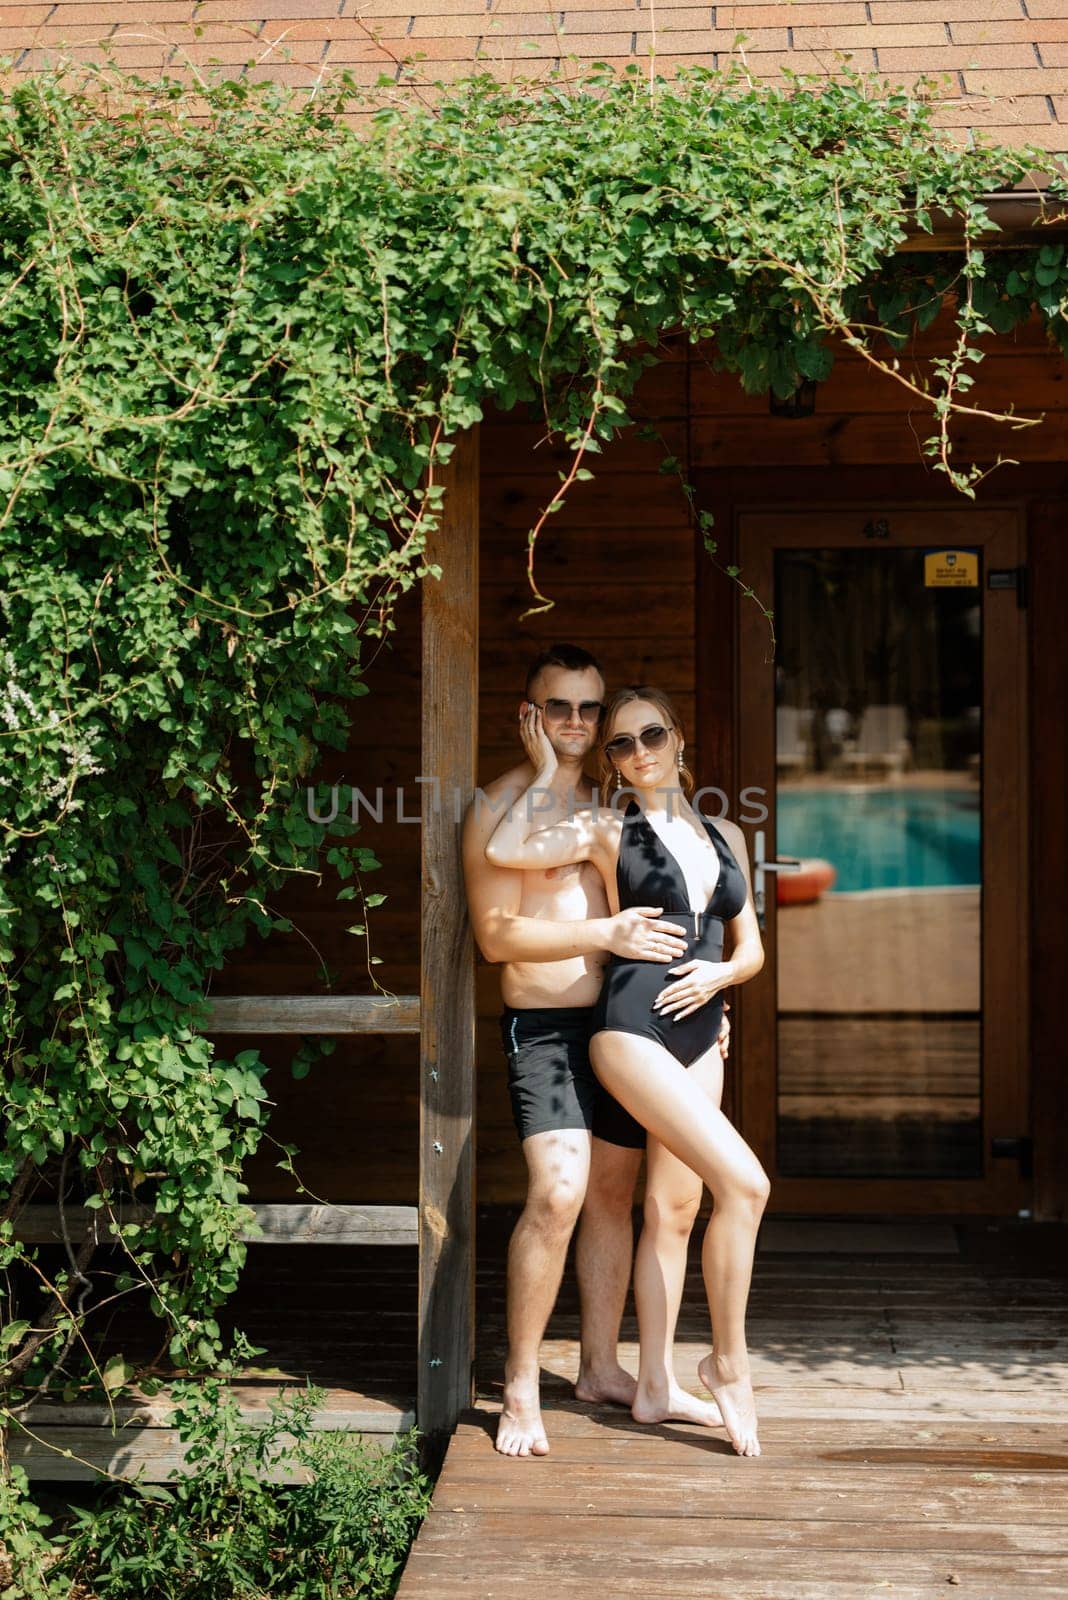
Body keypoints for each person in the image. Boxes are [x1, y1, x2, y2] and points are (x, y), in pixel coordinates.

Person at [485, 684, 769, 1457]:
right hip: (631, 1029)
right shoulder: (607, 827)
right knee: (745, 1185)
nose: (638, 751)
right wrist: (546, 769)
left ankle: (652, 1385)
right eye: (620, 743)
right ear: (611, 763)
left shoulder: (728, 835)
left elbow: (750, 950)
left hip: (700, 1034)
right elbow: (504, 851)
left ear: (679, 738)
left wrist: (719, 981)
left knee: (673, 1212)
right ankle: (728, 1365)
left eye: (650, 735)